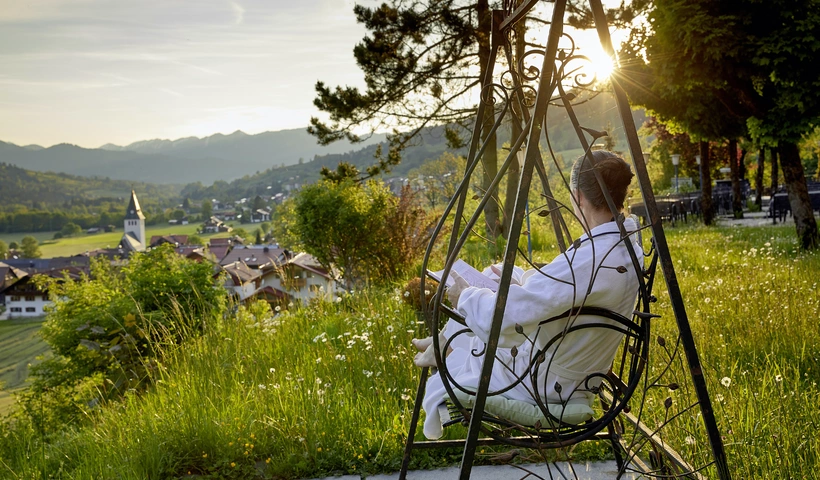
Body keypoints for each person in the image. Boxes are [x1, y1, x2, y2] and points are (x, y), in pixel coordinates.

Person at [412, 150, 643, 440]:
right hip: (572, 367)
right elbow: (562, 291)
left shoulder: (594, 258)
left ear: (578, 197)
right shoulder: (621, 245)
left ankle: (442, 347)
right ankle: (441, 343)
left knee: (475, 301)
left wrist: (464, 296)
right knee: (497, 274)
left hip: (541, 382)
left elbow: (508, 320)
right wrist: (515, 280)